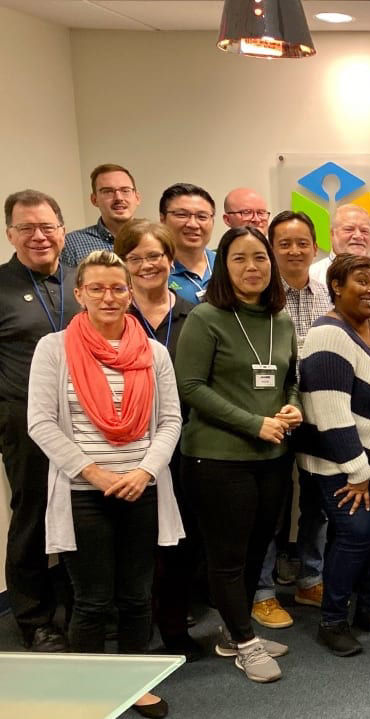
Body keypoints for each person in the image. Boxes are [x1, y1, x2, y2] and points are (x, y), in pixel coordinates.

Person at [28, 250, 183, 719]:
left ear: (130, 293)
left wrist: (143, 473)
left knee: (137, 595)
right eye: (96, 287)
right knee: (92, 600)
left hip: (141, 489)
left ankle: (134, 682)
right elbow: (41, 422)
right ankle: (88, 686)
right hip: (82, 494)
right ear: (80, 294)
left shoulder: (153, 352)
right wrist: (93, 472)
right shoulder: (53, 348)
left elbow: (171, 420)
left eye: (118, 287)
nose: (109, 296)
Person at [175, 226, 300, 683]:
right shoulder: (205, 317)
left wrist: (293, 406)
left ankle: (235, 632)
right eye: (240, 259)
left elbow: (289, 378)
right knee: (227, 555)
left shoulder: (280, 321)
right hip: (216, 458)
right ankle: (246, 643)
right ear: (223, 267)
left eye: (260, 259)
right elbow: (189, 387)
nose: (253, 268)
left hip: (271, 458)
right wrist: (254, 423)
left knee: (254, 552)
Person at [296, 253, 370, 657]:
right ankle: (332, 619)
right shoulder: (326, 334)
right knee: (356, 535)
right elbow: (328, 412)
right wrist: (357, 471)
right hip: (341, 462)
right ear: (336, 286)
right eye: (361, 281)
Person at [115, 219, 201, 660]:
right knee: (135, 544)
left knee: (179, 544)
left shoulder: (196, 313)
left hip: (186, 445)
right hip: (126, 446)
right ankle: (136, 634)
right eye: (136, 258)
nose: (147, 265)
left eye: (155, 256)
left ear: (170, 260)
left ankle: (175, 630)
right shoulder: (111, 315)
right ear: (123, 264)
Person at [1, 190, 80, 652]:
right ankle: (35, 620)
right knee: (31, 519)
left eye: (47, 226)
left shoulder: (82, 281)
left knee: (82, 516)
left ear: (62, 231)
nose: (38, 236)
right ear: (11, 234)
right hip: (26, 426)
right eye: (26, 227)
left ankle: (81, 607)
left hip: (86, 422)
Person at [249, 211, 333, 630]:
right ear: (271, 249)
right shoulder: (258, 299)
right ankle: (263, 592)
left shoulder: (328, 296)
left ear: (315, 249)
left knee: (318, 503)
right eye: (284, 243)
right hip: (273, 415)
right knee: (272, 506)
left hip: (319, 413)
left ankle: (310, 578)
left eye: (302, 243)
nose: (294, 251)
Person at [309, 204, 370, 311]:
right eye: (349, 229)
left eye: (364, 231)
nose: (358, 236)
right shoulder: (312, 275)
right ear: (332, 234)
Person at [62, 163, 142, 268]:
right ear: (94, 200)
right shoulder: (71, 245)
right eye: (108, 191)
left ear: (137, 198)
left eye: (125, 190)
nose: (118, 198)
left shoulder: (155, 239)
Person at [160, 183, 218, 305]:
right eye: (182, 215)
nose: (193, 224)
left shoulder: (225, 265)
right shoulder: (154, 271)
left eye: (202, 217)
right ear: (162, 219)